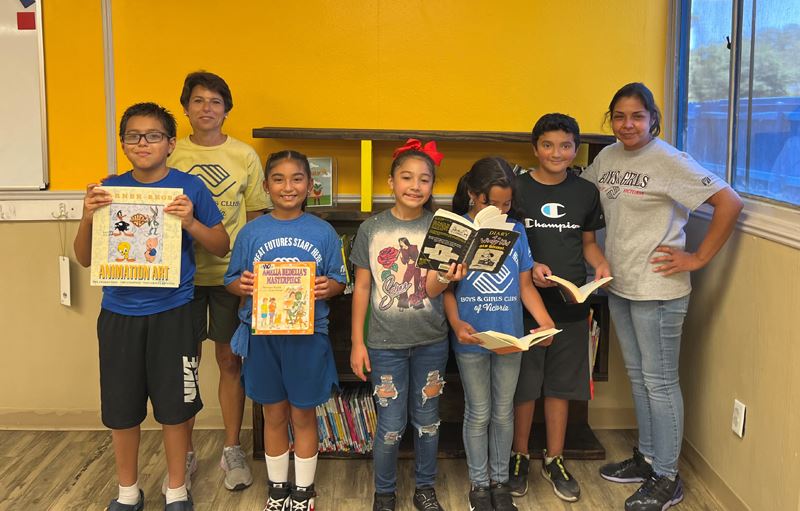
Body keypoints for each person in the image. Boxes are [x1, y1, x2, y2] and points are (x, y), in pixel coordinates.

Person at [581, 83, 743, 511]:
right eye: (619, 116)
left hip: (659, 290)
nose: (628, 124)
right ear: (610, 119)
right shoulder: (607, 158)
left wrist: (698, 257)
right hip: (620, 285)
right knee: (639, 378)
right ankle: (648, 458)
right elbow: (582, 199)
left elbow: (729, 202)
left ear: (653, 118)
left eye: (637, 116)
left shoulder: (670, 161)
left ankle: (667, 477)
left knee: (660, 381)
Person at [73, 102, 229, 511]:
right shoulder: (109, 189)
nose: (143, 143)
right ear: (123, 143)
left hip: (175, 314)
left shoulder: (189, 189)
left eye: (153, 135)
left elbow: (221, 245)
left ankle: (176, 488)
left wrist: (191, 221)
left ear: (171, 143)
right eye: (133, 136)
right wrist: (88, 217)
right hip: (119, 315)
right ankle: (127, 491)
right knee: (122, 408)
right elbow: (85, 258)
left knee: (175, 407)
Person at [224, 150, 346, 511]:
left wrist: (330, 287)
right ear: (266, 186)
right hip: (263, 337)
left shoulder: (323, 231)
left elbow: (339, 280)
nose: (288, 186)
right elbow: (231, 279)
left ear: (310, 185)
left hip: (308, 338)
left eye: (297, 179)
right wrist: (242, 285)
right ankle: (278, 488)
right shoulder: (252, 232)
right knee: (273, 414)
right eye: (279, 179)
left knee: (303, 415)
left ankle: (304, 491)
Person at [166, 71, 269, 493]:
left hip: (231, 278)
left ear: (227, 109)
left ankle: (232, 448)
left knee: (230, 361)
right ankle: (184, 453)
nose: (207, 108)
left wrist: (254, 269)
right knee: (183, 367)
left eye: (215, 101)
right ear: (186, 107)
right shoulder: (170, 154)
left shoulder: (244, 155)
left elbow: (259, 217)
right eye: (198, 100)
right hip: (181, 278)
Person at [434, 157, 555, 511]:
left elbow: (524, 285)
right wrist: (456, 325)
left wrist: (545, 319)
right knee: (479, 411)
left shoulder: (515, 231)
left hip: (510, 337)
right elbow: (445, 290)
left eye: (506, 204)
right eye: (491, 203)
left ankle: (500, 482)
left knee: (504, 412)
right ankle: (479, 484)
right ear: (473, 195)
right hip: (471, 337)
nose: (499, 210)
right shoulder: (457, 230)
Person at [349, 139, 457, 511]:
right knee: (391, 426)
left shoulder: (441, 227)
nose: (415, 185)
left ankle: (425, 488)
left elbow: (432, 288)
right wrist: (357, 343)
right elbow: (362, 286)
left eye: (424, 179)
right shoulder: (372, 229)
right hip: (384, 344)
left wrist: (447, 277)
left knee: (428, 422)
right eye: (406, 177)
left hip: (431, 340)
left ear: (432, 186)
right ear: (391, 181)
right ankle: (384, 492)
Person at [508, 113, 610, 503]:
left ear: (575, 149)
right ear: (535, 149)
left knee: (561, 388)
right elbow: (507, 244)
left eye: (566, 146)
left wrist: (599, 263)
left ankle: (554, 458)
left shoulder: (585, 192)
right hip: (524, 307)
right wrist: (529, 270)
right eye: (548, 145)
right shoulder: (516, 189)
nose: (557, 153)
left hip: (570, 305)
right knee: (525, 387)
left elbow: (588, 244)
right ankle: (519, 457)